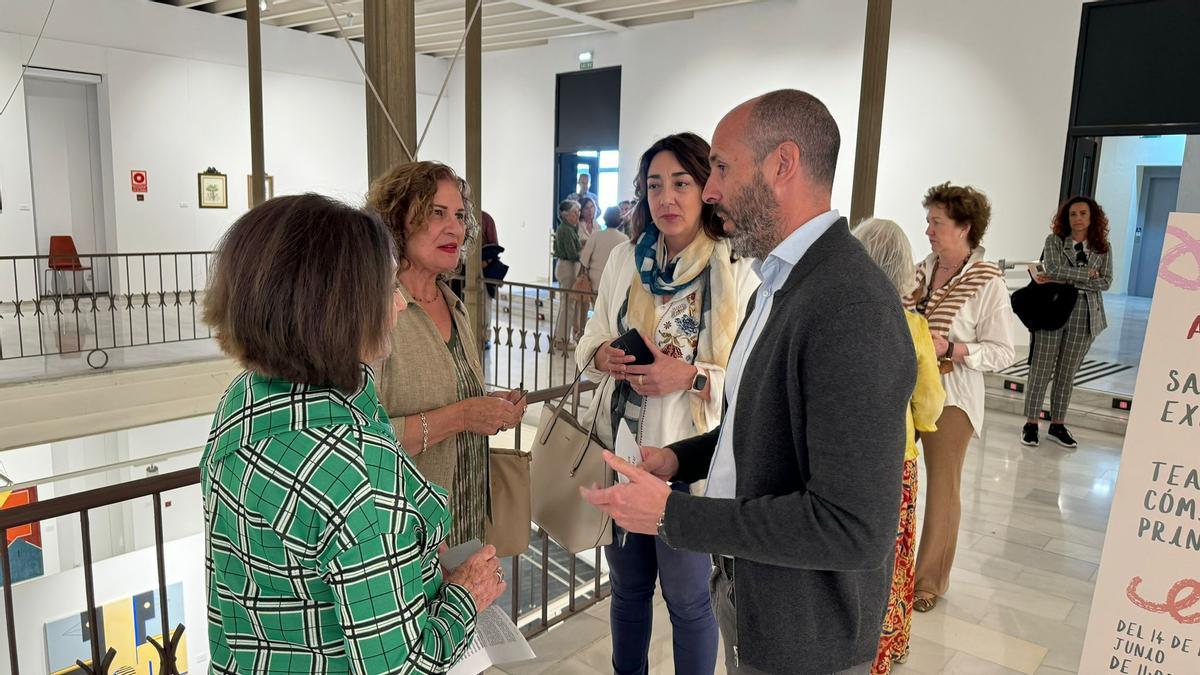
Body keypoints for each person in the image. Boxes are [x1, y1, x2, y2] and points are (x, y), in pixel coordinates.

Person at [582, 89, 917, 675]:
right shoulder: (778, 285)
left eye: (722, 168)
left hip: (806, 639)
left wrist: (672, 514)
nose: (710, 190)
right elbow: (756, 425)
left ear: (782, 164)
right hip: (757, 599)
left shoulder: (849, 304)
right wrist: (678, 460)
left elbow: (852, 527)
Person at [201, 194, 506, 672]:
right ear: (336, 308)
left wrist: (414, 543)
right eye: (386, 287)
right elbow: (401, 667)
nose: (401, 302)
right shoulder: (356, 472)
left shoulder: (246, 395)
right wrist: (466, 597)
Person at [576, 132, 758, 675]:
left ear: (708, 188)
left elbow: (748, 382)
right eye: (655, 185)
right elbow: (588, 342)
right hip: (625, 455)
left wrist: (692, 376)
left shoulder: (735, 269)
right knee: (628, 593)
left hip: (688, 465)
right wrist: (605, 354)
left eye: (681, 183)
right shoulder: (626, 264)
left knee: (689, 599)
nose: (666, 198)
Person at [368, 161, 527, 547]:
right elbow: (360, 441)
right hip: (407, 539)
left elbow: (448, 393)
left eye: (459, 215)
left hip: (468, 521)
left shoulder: (453, 303)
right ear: (396, 219)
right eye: (436, 213)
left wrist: (487, 407)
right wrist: (461, 416)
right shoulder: (375, 312)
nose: (454, 227)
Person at [904, 182, 1018, 613]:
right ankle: (889, 567)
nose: (928, 230)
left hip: (953, 396)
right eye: (929, 221)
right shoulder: (920, 270)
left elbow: (1004, 352)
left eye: (937, 222)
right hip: (909, 390)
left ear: (965, 228)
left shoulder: (988, 283)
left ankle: (929, 581)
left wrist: (952, 349)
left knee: (943, 487)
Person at [853, 218, 946, 673]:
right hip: (897, 459)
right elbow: (928, 403)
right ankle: (886, 648)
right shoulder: (913, 326)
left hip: (843, 459)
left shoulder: (838, 319)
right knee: (892, 553)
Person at [1021, 196, 1112, 448]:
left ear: (1092, 217)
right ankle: (1031, 424)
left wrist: (1066, 278)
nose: (1078, 218)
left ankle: (1057, 424)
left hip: (1086, 315)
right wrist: (1084, 275)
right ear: (1066, 218)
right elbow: (1052, 269)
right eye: (1073, 214)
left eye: (1083, 213)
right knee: (1040, 369)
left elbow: (1106, 281)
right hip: (1053, 310)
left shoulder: (1103, 247)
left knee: (1066, 374)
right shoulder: (1054, 241)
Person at [553, 198, 583, 352]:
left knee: (566, 304)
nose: (577, 215)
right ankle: (562, 340)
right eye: (574, 212)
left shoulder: (569, 228)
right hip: (567, 267)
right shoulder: (566, 229)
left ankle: (560, 338)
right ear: (565, 215)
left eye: (578, 212)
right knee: (568, 305)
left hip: (565, 266)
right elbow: (573, 253)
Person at [578, 206, 630, 292]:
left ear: (605, 219)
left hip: (596, 279)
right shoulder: (624, 239)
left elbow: (584, 259)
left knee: (596, 304)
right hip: (616, 280)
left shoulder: (595, 235)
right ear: (619, 220)